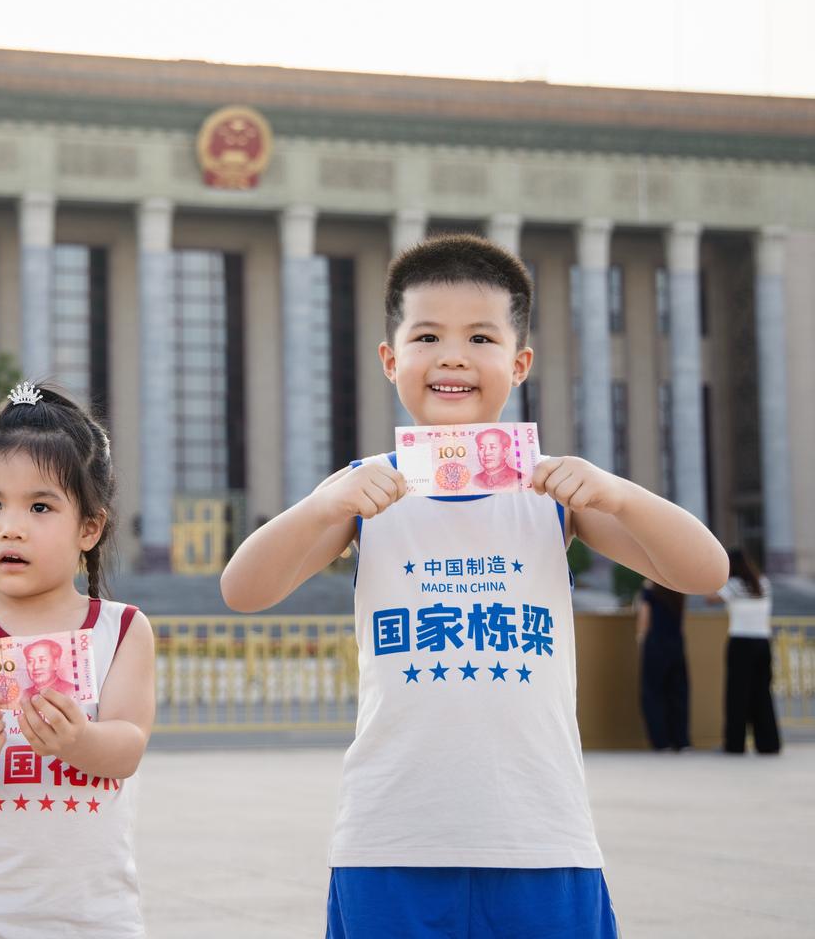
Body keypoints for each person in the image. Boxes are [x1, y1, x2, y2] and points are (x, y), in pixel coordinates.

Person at [221, 233, 728, 939]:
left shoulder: (557, 489)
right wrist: (324, 505)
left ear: (519, 364)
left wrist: (616, 493)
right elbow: (243, 590)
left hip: (540, 834)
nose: (453, 355)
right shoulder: (363, 491)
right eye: (427, 335)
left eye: (481, 337)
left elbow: (706, 572)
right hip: (390, 836)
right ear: (391, 359)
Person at [0, 382, 155, 939]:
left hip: (93, 919)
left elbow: (127, 749)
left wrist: (77, 741)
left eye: (40, 506)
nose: (10, 525)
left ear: (89, 527)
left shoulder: (121, 631)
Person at [708, 547, 781, 755]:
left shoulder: (733, 586)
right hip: (763, 641)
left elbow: (710, 598)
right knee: (762, 694)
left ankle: (735, 744)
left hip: (741, 641)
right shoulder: (763, 583)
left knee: (737, 695)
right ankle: (768, 743)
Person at [635, 580, 690, 751]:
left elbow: (644, 616)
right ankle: (681, 741)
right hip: (676, 644)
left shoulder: (650, 590)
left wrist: (641, 639)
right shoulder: (678, 588)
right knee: (679, 694)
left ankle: (661, 741)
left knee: (653, 694)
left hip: (655, 645)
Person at [20, 638, 76, 702]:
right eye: (30, 661)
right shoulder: (23, 694)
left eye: (42, 660)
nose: (35, 667)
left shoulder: (71, 691)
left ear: (56, 663)